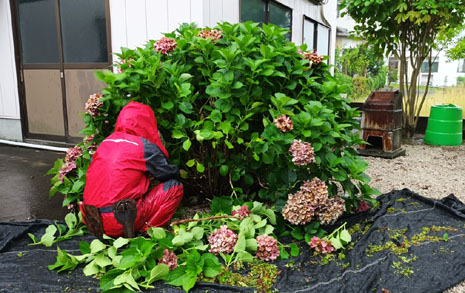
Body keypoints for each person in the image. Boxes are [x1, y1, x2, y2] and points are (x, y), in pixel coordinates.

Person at [80, 101, 183, 238]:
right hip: (121, 221)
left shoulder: (105, 143)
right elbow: (168, 174)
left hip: (93, 220)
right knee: (175, 187)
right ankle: (146, 232)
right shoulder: (143, 146)